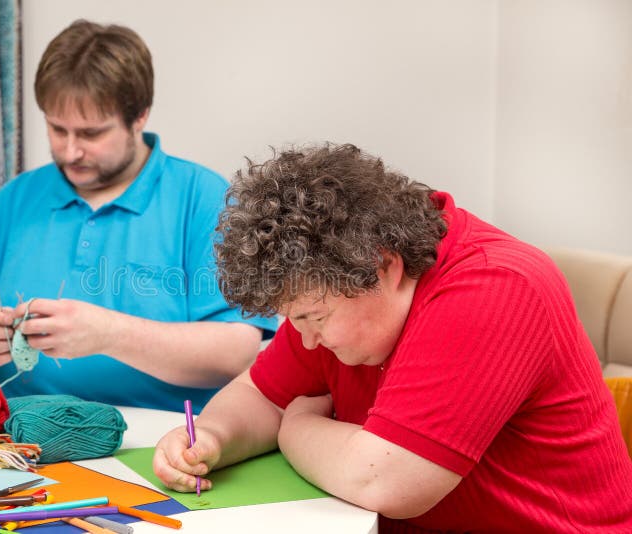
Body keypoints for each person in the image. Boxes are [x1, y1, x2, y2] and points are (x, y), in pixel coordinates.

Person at [152, 143, 632, 532]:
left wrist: (297, 428)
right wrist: (211, 437)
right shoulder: (330, 288)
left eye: (314, 318)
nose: (308, 341)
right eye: (294, 321)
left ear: (385, 266)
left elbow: (386, 482)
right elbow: (263, 393)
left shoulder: (494, 288)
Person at [0, 20, 275, 412]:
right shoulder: (15, 200)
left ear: (140, 116)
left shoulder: (204, 199)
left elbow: (236, 352)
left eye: (91, 133)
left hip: (164, 443)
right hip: (21, 437)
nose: (70, 151)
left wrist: (110, 334)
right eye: (57, 129)